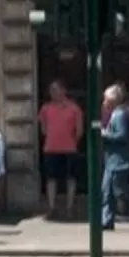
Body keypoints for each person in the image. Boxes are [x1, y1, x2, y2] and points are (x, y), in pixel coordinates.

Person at [37, 81, 84, 219]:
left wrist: (72, 141)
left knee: (70, 178)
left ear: (64, 91)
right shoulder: (45, 109)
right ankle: (52, 208)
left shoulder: (74, 109)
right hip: (50, 148)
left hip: (69, 149)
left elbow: (79, 130)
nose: (53, 93)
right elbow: (43, 129)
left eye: (55, 89)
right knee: (51, 179)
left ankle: (70, 207)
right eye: (51, 90)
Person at [100, 85, 129, 230]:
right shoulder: (116, 112)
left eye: (106, 98)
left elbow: (122, 136)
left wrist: (105, 134)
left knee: (118, 191)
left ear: (113, 99)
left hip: (118, 161)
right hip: (112, 161)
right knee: (107, 191)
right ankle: (106, 220)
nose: (104, 101)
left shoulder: (120, 114)